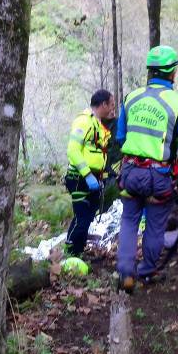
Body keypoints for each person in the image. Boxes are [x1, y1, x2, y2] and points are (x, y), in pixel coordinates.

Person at [115, 45, 178, 291]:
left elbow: (120, 138)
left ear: (150, 71)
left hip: (130, 171)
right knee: (155, 224)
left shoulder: (131, 98)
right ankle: (147, 271)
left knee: (129, 220)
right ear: (172, 73)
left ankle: (126, 272)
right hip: (159, 175)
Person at [64, 89, 116, 257]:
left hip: (94, 179)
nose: (113, 109)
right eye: (111, 105)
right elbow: (73, 150)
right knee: (82, 218)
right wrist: (87, 175)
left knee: (86, 218)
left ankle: (77, 251)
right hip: (79, 178)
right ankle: (71, 253)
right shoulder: (84, 122)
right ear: (103, 105)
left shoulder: (99, 124)